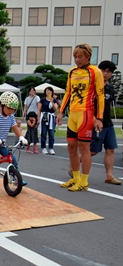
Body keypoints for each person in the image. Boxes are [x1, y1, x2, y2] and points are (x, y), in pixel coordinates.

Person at [57, 43, 104, 192]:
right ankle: (75, 178)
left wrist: (99, 117)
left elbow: (100, 95)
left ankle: (84, 181)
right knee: (71, 146)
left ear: (88, 57)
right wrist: (61, 112)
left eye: (80, 57)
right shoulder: (72, 72)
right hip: (73, 114)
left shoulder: (95, 71)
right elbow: (68, 93)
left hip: (86, 113)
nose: (77, 60)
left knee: (84, 147)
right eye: (75, 57)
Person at [68, 60, 121, 185]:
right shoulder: (92, 86)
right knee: (92, 150)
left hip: (108, 122)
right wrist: (95, 119)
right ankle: (73, 165)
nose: (105, 73)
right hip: (94, 121)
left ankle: (109, 175)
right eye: (103, 70)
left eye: (109, 72)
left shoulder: (110, 88)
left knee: (110, 149)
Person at [37, 86, 59, 155]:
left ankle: (51, 148)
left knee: (51, 134)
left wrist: (52, 102)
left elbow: (55, 109)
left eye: (50, 90)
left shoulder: (55, 100)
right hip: (44, 116)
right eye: (47, 91)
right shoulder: (42, 100)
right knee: (43, 133)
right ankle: (43, 147)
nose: (48, 92)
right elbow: (39, 109)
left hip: (51, 117)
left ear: (52, 92)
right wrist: (38, 118)